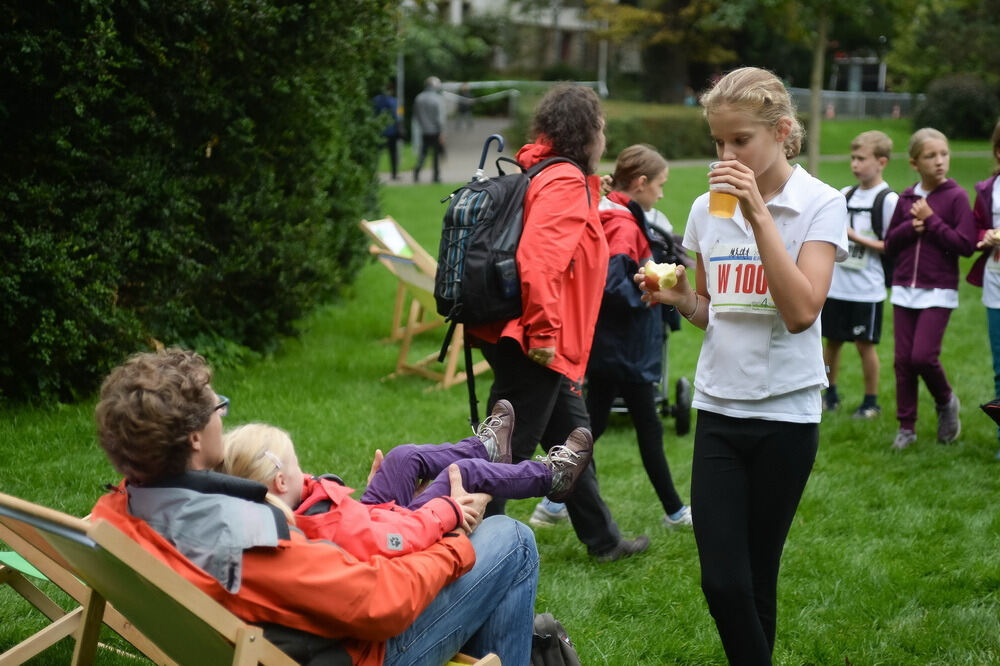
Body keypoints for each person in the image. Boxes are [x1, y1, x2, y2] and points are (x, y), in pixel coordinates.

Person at [90, 348, 538, 666]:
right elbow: (383, 604)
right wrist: (453, 543)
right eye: (217, 408)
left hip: (280, 631)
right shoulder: (245, 539)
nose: (222, 416)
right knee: (510, 540)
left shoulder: (117, 511)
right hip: (360, 652)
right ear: (193, 438)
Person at [636, 67, 848, 664]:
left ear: (782, 132)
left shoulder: (821, 205)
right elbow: (713, 308)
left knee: (758, 577)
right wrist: (680, 299)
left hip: (787, 413)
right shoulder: (707, 209)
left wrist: (759, 215)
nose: (726, 155)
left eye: (740, 141)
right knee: (722, 581)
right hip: (720, 408)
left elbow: (803, 309)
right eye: (718, 143)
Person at [467, 83, 650, 563]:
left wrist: (592, 190)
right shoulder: (564, 181)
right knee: (507, 453)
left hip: (529, 333)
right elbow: (540, 259)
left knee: (572, 440)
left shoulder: (547, 171)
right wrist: (544, 336)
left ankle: (604, 541)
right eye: (603, 127)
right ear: (587, 131)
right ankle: (474, 553)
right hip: (537, 339)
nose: (605, 136)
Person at [220, 406, 594, 561]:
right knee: (463, 475)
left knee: (402, 456)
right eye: (296, 465)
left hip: (368, 519)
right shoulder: (323, 524)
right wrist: (447, 510)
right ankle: (550, 477)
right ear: (282, 480)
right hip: (393, 533)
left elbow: (352, 524)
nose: (305, 472)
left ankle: (485, 447)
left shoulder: (289, 509)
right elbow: (389, 541)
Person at [586, 143, 692, 529]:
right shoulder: (622, 223)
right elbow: (615, 285)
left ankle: (552, 503)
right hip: (623, 346)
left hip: (613, 345)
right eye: (660, 185)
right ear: (642, 182)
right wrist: (652, 292)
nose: (662, 193)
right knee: (645, 427)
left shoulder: (614, 212)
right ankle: (675, 511)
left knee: (591, 427)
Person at [884, 128, 976, 450]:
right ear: (914, 162)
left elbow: (966, 245)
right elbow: (890, 243)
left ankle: (946, 401)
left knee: (923, 357)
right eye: (930, 156)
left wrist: (933, 221)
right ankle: (906, 427)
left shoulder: (956, 197)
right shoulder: (906, 199)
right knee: (902, 362)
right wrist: (912, 226)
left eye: (944, 154)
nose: (939, 162)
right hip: (903, 290)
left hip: (938, 290)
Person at [821, 131, 899, 419]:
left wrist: (855, 237)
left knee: (865, 346)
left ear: (881, 162)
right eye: (853, 158)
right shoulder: (844, 194)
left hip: (867, 288)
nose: (855, 164)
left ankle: (870, 401)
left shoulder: (888, 200)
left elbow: (893, 245)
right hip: (836, 286)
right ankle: (830, 393)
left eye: (861, 159)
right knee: (831, 342)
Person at [966, 119, 1000, 458]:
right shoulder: (989, 188)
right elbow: (976, 230)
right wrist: (984, 238)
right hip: (996, 282)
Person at [412, 76, 446, 183]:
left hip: (424, 131)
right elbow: (440, 118)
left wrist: (423, 126)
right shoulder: (437, 99)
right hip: (435, 131)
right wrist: (442, 132)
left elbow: (416, 115)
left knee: (423, 153)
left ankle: (417, 170)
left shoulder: (418, 98)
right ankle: (436, 177)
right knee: (435, 156)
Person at [373, 82, 401, 180]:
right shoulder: (394, 101)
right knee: (393, 154)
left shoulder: (376, 100)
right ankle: (394, 174)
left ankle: (373, 173)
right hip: (391, 131)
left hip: (379, 130)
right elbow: (398, 116)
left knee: (377, 154)